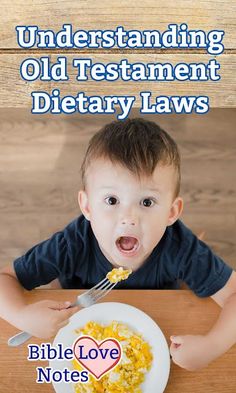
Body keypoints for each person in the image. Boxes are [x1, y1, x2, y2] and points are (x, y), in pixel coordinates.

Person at [0, 118, 235, 371]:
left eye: (146, 202)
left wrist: (211, 346)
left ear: (171, 212)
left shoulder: (181, 248)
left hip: (156, 328)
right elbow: (6, 279)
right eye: (112, 200)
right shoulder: (72, 245)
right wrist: (22, 314)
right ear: (87, 206)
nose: (128, 218)